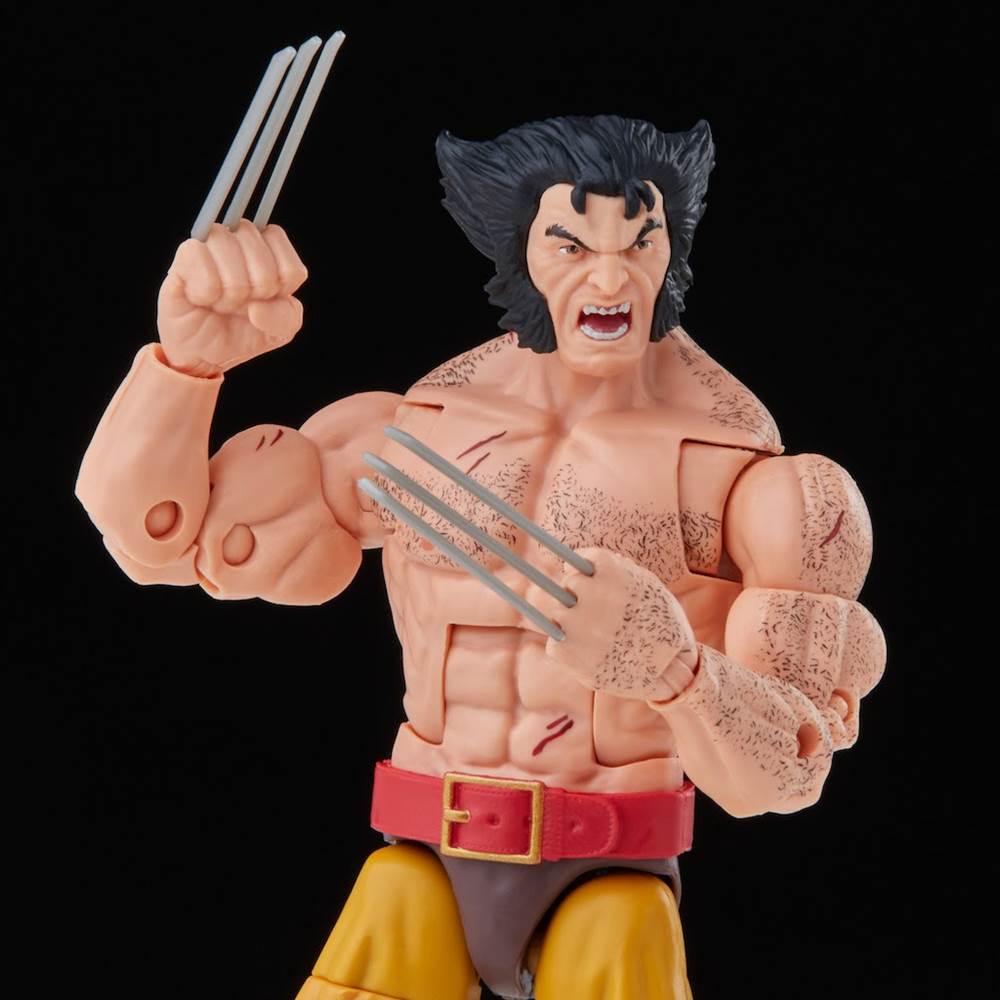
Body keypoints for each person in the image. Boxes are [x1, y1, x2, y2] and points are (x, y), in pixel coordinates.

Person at [76, 114, 886, 1000]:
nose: (609, 278)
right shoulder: (418, 427)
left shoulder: (756, 481)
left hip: (614, 869)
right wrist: (183, 369)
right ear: (521, 251)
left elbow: (790, 771)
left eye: (639, 242)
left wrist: (675, 669)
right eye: (571, 244)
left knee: (618, 940)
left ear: (671, 250)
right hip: (419, 852)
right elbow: (165, 546)